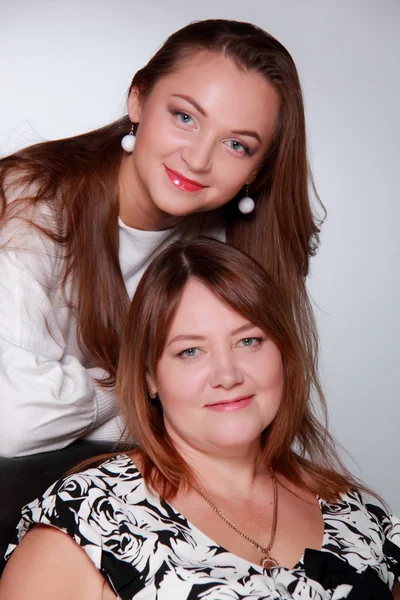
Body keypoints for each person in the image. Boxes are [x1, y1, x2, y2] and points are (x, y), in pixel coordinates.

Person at [1, 238, 399, 600]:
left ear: (283, 353)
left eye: (249, 341)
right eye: (191, 351)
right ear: (150, 377)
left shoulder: (357, 512)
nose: (228, 375)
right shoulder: (87, 522)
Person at [0, 19, 323, 458]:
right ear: (139, 100)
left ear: (258, 169)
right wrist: (140, 383)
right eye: (185, 117)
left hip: (132, 473)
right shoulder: (27, 202)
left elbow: (236, 414)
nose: (197, 159)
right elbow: (16, 420)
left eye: (236, 145)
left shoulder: (230, 243)